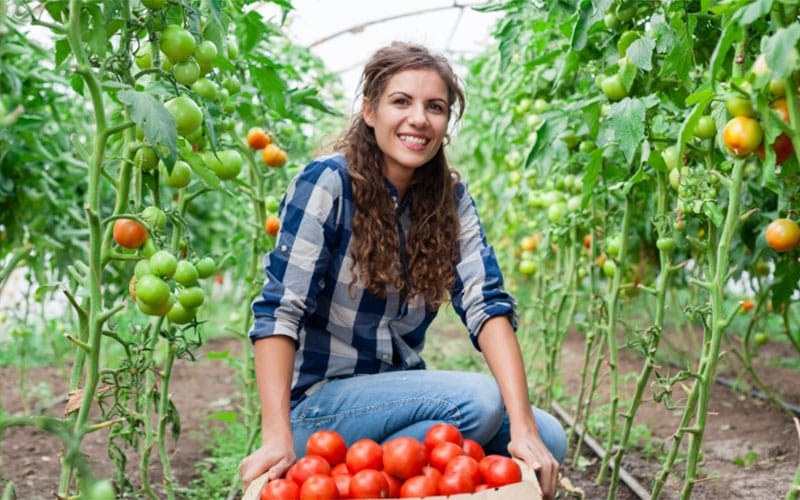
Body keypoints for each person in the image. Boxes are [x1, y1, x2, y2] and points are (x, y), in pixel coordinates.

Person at [238, 41, 566, 499]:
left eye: (435, 107)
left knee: (548, 437)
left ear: (446, 123)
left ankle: (374, 477)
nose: (419, 119)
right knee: (482, 404)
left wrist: (525, 429)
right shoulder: (328, 183)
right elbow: (279, 311)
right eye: (401, 102)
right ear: (369, 111)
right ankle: (350, 468)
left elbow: (485, 303)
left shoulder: (448, 200)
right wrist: (275, 435)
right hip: (318, 409)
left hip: (392, 396)